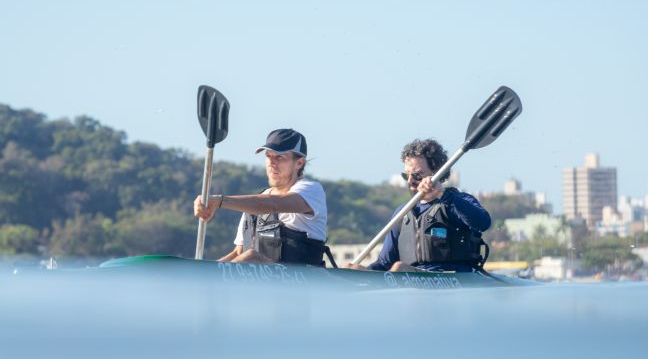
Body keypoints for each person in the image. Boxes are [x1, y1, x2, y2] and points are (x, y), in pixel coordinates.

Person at [349, 138, 491, 273]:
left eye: (417, 175)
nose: (410, 181)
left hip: (455, 276)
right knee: (353, 268)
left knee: (399, 268)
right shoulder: (402, 213)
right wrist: (360, 272)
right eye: (406, 176)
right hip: (410, 277)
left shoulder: (457, 200)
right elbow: (384, 263)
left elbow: (483, 223)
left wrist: (441, 194)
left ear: (436, 173)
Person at [194, 128, 330, 266]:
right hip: (265, 282)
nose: (271, 163)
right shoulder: (255, 203)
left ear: (299, 163)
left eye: (279, 157)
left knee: (252, 256)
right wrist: (203, 271)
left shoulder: (311, 190)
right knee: (245, 256)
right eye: (268, 156)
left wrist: (219, 201)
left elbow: (274, 205)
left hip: (305, 280)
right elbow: (239, 253)